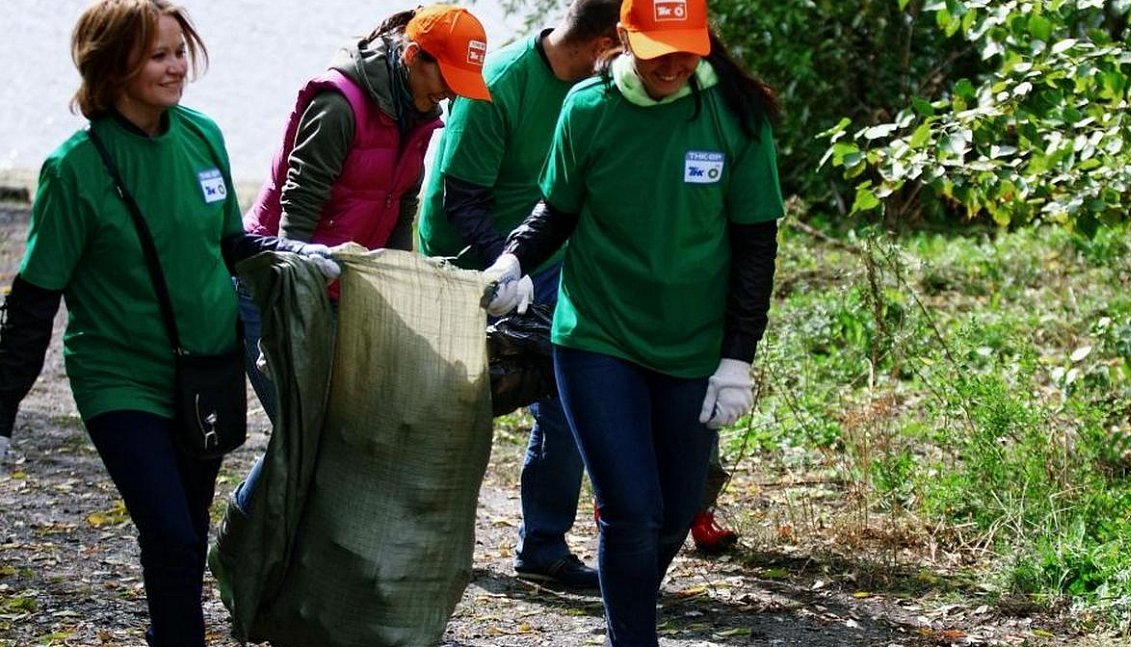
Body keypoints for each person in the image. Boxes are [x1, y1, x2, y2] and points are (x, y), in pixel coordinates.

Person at [0, 1, 337, 645]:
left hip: (206, 372)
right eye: (158, 54)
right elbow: (35, 298)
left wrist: (299, 255)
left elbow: (231, 243)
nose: (176, 65)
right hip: (120, 379)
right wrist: (3, 409)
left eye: (179, 51)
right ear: (110, 64)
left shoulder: (202, 135)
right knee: (171, 532)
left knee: (187, 523)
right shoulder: (76, 168)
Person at [481, 0, 783, 640]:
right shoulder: (588, 109)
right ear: (623, 38)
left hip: (693, 345)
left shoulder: (735, 117)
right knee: (632, 513)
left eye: (687, 47)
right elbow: (556, 211)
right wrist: (512, 261)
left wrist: (737, 358)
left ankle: (628, 588)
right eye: (656, 49)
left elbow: (756, 246)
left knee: (674, 513)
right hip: (598, 336)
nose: (674, 63)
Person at [417, 0, 620, 589]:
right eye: (625, 48)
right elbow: (462, 201)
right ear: (602, 42)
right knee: (452, 406)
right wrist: (504, 271)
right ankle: (426, 538)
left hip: (549, 260)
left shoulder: (598, 89)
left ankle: (544, 547)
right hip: (463, 260)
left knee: (569, 388)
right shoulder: (501, 83)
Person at [238, 4, 492, 422]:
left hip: (342, 283)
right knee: (303, 433)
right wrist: (291, 312)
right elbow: (296, 214)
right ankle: (254, 493)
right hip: (273, 280)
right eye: (447, 78)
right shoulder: (340, 105)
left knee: (330, 438)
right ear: (412, 56)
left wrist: (402, 294)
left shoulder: (418, 112)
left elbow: (402, 205)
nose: (451, 93)